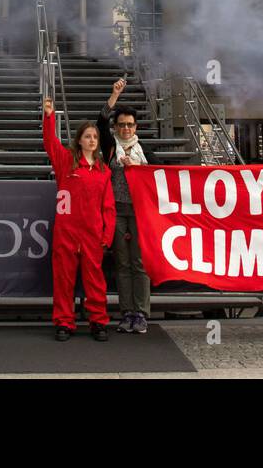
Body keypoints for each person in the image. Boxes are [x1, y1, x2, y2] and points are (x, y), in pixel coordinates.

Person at [43, 95, 115, 341]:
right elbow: (50, 142)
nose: (92, 140)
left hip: (92, 234)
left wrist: (107, 234)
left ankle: (98, 320)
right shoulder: (66, 161)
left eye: (95, 137)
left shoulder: (104, 171)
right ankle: (64, 321)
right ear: (79, 140)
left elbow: (108, 207)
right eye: (88, 136)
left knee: (95, 279)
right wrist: (49, 116)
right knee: (63, 279)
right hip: (67, 231)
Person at [98, 78, 151, 334]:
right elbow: (99, 122)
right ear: (116, 128)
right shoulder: (110, 148)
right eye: (121, 125)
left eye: (130, 125)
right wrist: (114, 95)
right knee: (122, 262)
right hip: (116, 210)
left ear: (136, 126)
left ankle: (141, 312)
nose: (126, 129)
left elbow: (162, 177)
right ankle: (126, 311)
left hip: (140, 212)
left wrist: (139, 168)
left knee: (139, 262)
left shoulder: (145, 152)